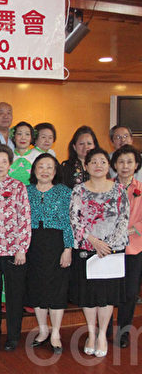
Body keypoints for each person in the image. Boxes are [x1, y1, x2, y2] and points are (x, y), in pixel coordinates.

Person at [69, 147, 129, 358]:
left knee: (107, 295)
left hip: (111, 251)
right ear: (86, 166)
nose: (98, 165)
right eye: (93, 162)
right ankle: (91, 333)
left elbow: (124, 219)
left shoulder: (119, 189)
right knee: (89, 295)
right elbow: (75, 219)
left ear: (108, 165)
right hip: (87, 249)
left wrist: (107, 245)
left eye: (103, 161)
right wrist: (94, 241)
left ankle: (102, 334)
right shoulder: (78, 190)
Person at [0, 144, 31, 351]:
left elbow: (25, 218)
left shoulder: (19, 187)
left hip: (13, 249)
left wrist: (22, 248)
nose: (0, 165)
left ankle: (13, 336)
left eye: (4, 161)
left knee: (14, 295)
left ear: (10, 164)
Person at [26, 154, 73, 354]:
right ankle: (43, 329)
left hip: (56, 243)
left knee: (56, 288)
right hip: (33, 243)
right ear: (34, 170)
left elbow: (70, 222)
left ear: (55, 171)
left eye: (49, 167)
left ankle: (55, 333)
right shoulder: (26, 191)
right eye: (40, 166)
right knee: (36, 286)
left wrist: (68, 248)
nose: (44, 171)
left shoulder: (65, 192)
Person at [112, 145, 142, 348]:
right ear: (114, 165)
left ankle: (123, 332)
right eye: (121, 162)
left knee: (130, 293)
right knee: (108, 291)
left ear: (136, 165)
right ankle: (104, 330)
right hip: (110, 247)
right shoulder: (106, 187)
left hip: (134, 247)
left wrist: (132, 230)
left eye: (129, 162)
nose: (125, 166)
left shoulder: (140, 188)